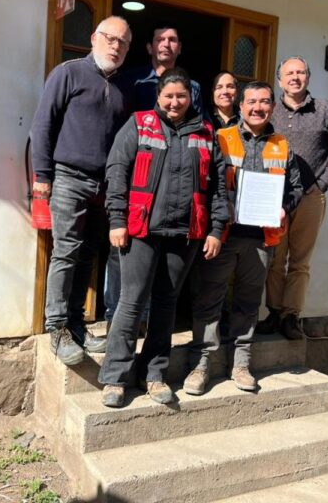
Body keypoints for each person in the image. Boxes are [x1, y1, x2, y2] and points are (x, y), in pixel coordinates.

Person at [99, 68, 228, 408]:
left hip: (184, 235)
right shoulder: (139, 124)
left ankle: (153, 374)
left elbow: (218, 189)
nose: (174, 102)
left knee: (166, 305)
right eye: (168, 96)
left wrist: (216, 229)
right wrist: (117, 220)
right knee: (131, 302)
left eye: (181, 96)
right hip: (140, 230)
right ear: (158, 97)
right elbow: (117, 171)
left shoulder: (206, 133)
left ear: (190, 98)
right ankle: (115, 377)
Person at [183, 82, 303, 395]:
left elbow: (295, 187)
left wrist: (284, 207)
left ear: (272, 107)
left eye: (264, 102)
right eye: (251, 101)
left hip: (261, 238)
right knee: (210, 299)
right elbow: (205, 182)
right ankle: (201, 363)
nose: (257, 108)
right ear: (240, 105)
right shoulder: (221, 138)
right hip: (223, 235)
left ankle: (240, 363)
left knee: (249, 302)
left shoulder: (282, 145)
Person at [30, 16, 132, 366]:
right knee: (66, 251)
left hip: (106, 185)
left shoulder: (123, 88)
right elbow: (44, 122)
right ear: (94, 38)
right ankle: (56, 328)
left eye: (122, 42)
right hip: (68, 177)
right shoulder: (68, 73)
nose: (115, 46)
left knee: (89, 254)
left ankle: (76, 326)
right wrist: (42, 175)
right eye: (110, 38)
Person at [104, 23, 204, 330]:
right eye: (160, 38)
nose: (166, 44)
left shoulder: (195, 89)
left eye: (173, 39)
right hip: (132, 181)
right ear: (149, 47)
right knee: (121, 257)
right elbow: (116, 125)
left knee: (159, 274)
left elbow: (197, 133)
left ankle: (145, 326)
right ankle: (114, 319)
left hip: (171, 188)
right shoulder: (131, 79)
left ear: (180, 47)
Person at [261, 56, 328, 340]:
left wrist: (321, 184)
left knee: (300, 261)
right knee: (275, 258)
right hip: (275, 196)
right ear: (280, 80)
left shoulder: (325, 109)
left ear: (308, 78)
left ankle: (291, 316)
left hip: (310, 197)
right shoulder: (270, 111)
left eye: (300, 72)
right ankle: (274, 313)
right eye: (289, 73)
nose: (295, 77)